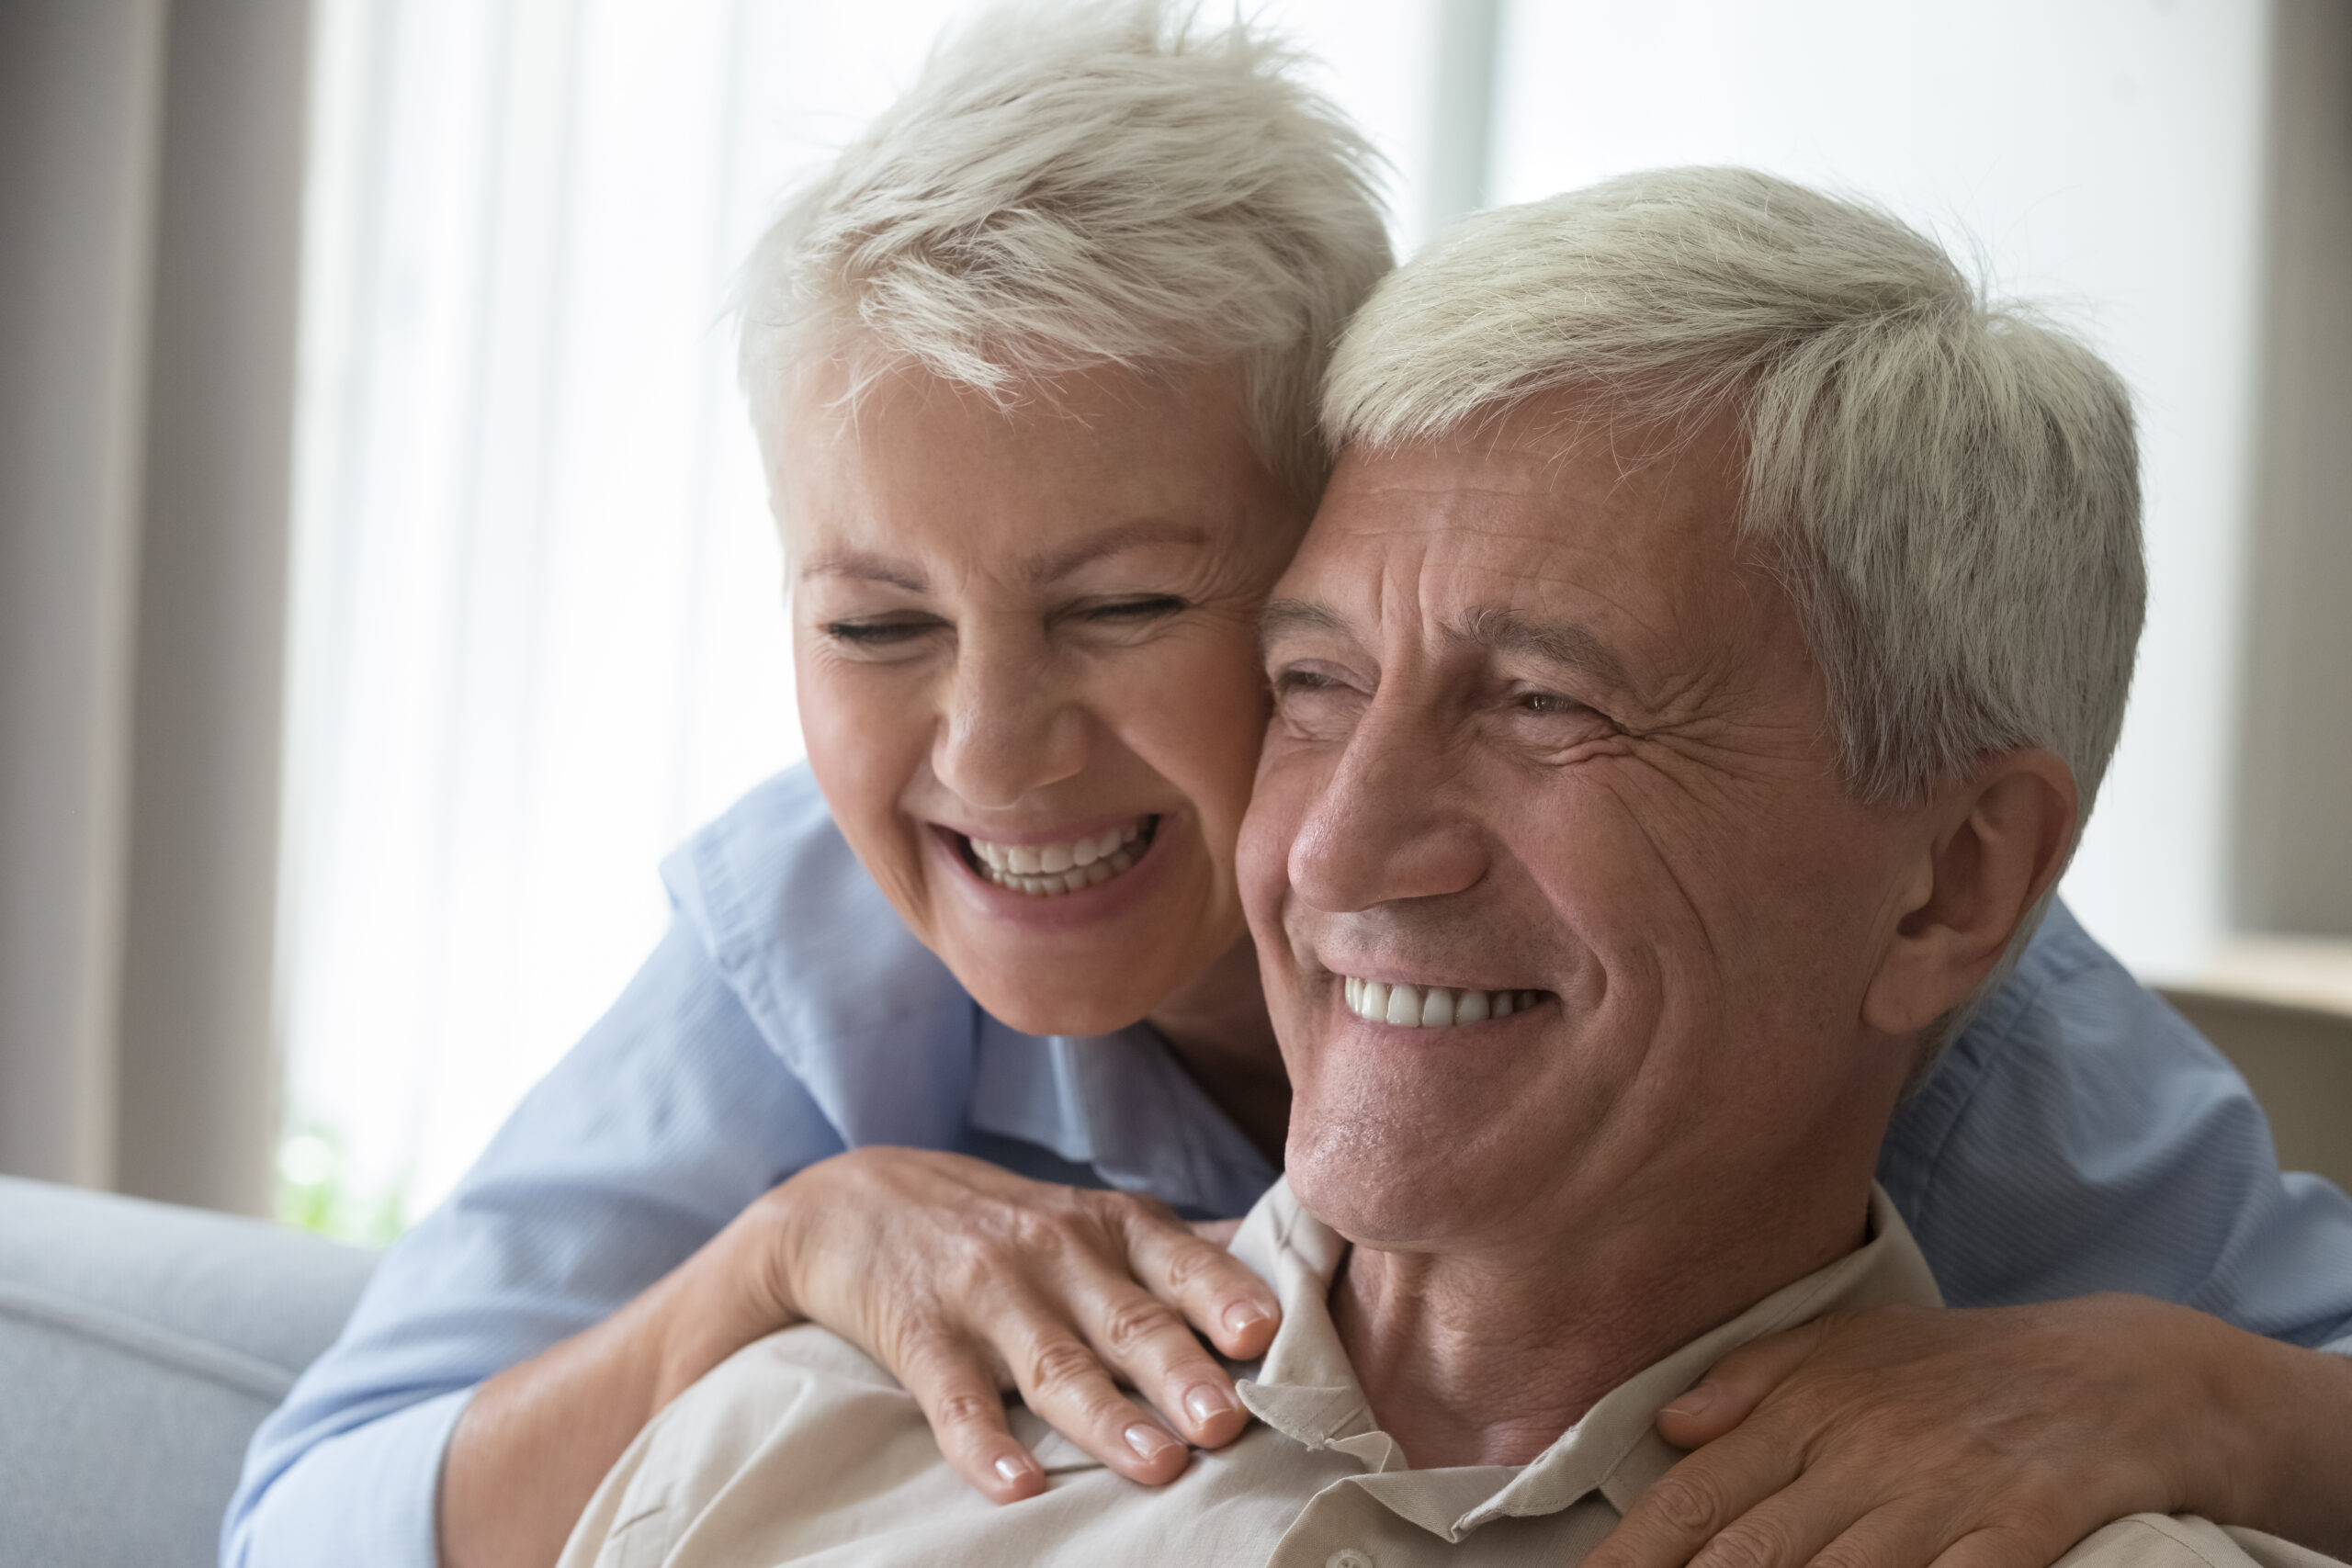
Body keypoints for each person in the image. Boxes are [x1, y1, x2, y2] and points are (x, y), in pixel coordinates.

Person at [222, 7, 2352, 1568]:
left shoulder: (1910, 974)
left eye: (1134, 603)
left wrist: (2205, 1395)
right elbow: (310, 1523)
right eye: (875, 627)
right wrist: (775, 1256)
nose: (988, 752)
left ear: (1349, 515)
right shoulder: (813, 951)